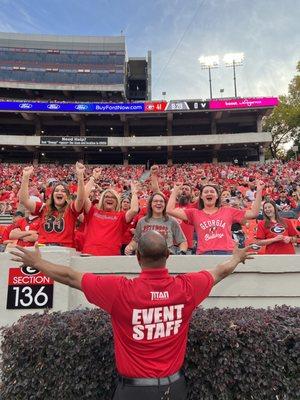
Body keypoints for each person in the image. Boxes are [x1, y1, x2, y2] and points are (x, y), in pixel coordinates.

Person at [10, 231, 254, 400]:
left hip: (134, 393)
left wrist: (39, 264)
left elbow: (70, 276)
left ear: (138, 258)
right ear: (168, 255)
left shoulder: (120, 292)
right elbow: (220, 271)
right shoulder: (188, 287)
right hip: (176, 389)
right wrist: (237, 257)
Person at [166, 182, 264, 255]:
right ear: (201, 197)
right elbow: (170, 210)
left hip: (226, 253)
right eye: (206, 192)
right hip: (204, 254)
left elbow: (254, 213)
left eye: (212, 191)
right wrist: (175, 190)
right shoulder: (194, 213)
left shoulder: (228, 211)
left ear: (217, 196)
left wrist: (259, 191)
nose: (209, 193)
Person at [18, 162, 85, 248]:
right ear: (52, 195)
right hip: (44, 247)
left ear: (67, 196)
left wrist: (80, 177)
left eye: (63, 191)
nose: (59, 192)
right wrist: (26, 177)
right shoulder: (43, 207)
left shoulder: (71, 209)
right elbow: (24, 200)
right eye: (56, 190)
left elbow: (80, 199)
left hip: (64, 248)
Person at [82, 168, 139, 256]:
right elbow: (83, 197)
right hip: (89, 254)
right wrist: (93, 178)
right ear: (102, 199)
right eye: (106, 196)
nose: (109, 198)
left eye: (113, 197)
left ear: (117, 201)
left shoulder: (121, 216)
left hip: (111, 257)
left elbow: (134, 209)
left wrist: (134, 193)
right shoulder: (93, 212)